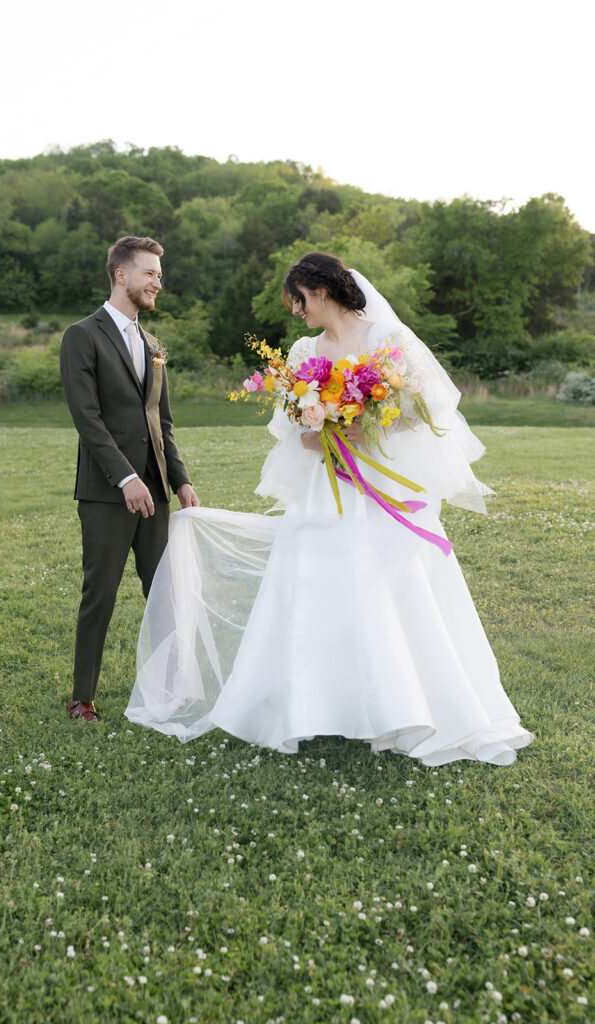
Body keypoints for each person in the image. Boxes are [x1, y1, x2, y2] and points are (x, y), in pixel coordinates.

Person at [125, 252, 532, 765]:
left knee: (384, 584)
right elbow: (292, 426)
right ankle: (311, 706)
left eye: (298, 299)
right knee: (317, 583)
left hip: (376, 483)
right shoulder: (302, 350)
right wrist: (319, 435)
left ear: (320, 291)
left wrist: (372, 427)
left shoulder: (388, 340)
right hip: (324, 486)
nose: (296, 311)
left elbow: (425, 408)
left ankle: (399, 704)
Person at [60, 235, 199, 723]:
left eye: (160, 275)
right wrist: (123, 478)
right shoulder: (82, 335)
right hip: (106, 493)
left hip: (157, 491)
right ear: (121, 275)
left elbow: (161, 423)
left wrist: (179, 480)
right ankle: (82, 698)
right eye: (150, 273)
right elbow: (87, 419)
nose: (158, 282)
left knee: (162, 594)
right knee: (99, 594)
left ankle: (168, 691)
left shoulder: (153, 344)